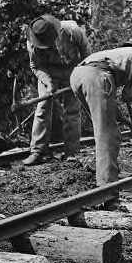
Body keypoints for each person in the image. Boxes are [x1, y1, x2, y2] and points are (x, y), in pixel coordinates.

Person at [70, 36, 132, 187]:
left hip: (77, 75)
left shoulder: (115, 53)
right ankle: (107, 186)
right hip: (97, 76)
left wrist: (130, 125)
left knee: (103, 127)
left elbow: (111, 110)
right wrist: (128, 87)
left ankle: (104, 178)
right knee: (108, 135)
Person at [23, 14, 90, 166]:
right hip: (48, 72)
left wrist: (81, 75)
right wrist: (48, 83)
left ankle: (71, 153)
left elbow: (87, 55)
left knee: (72, 110)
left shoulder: (73, 31)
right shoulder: (32, 42)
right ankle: (37, 152)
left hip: (72, 70)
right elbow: (36, 66)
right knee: (43, 107)